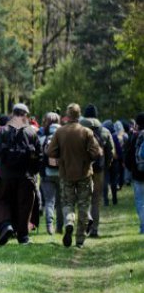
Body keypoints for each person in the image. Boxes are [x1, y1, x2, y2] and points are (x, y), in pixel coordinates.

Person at [0, 104, 42, 246]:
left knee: (3, 201)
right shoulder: (32, 132)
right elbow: (39, 155)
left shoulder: (3, 131)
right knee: (24, 205)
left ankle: (6, 226)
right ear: (25, 115)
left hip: (6, 175)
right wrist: (34, 171)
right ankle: (23, 237)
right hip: (26, 176)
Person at [47, 103, 103, 248]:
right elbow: (96, 152)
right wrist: (88, 159)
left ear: (67, 115)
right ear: (79, 115)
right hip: (84, 173)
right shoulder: (86, 132)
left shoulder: (60, 132)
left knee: (67, 203)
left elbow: (50, 152)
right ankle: (79, 240)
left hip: (66, 174)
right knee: (84, 205)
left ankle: (69, 222)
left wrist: (62, 157)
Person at [79, 105, 114, 238]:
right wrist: (106, 165)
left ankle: (83, 228)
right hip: (99, 169)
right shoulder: (104, 131)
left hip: (82, 169)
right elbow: (110, 152)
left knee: (83, 199)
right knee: (95, 201)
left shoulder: (78, 130)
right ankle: (94, 229)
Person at [38, 113, 63, 235]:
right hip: (62, 174)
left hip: (47, 174)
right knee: (60, 202)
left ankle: (49, 225)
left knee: (49, 201)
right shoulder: (64, 139)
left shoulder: (42, 139)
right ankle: (59, 227)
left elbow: (39, 158)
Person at [123, 113, 144, 235]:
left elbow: (128, 156)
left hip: (138, 174)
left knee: (141, 201)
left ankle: (143, 227)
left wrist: (130, 170)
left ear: (137, 124)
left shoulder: (134, 137)